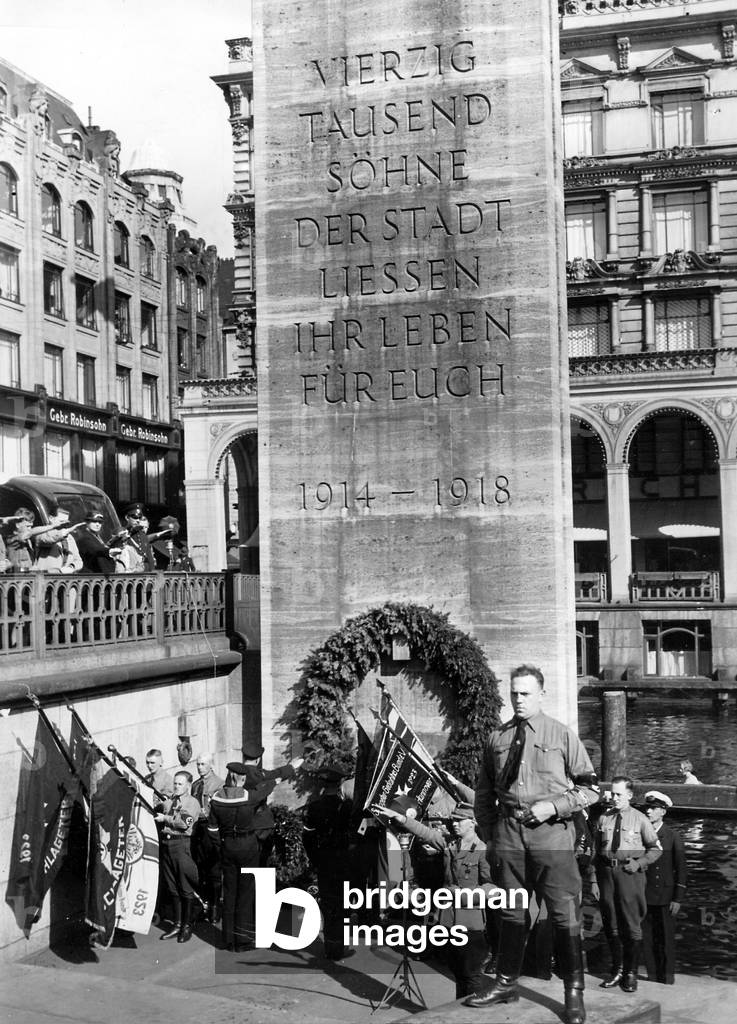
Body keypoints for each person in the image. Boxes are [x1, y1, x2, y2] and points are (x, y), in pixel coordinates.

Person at [466, 664, 599, 1024]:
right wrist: (490, 833)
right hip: (509, 834)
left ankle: (574, 992)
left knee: (562, 913)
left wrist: (553, 806)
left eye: (525, 693)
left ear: (541, 694)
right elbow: (483, 793)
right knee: (510, 910)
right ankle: (506, 982)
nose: (518, 700)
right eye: (514, 693)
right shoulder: (497, 738)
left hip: (551, 835)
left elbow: (591, 789)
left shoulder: (561, 735)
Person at [375, 800, 492, 999]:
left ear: (472, 822)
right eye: (453, 820)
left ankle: (474, 1016)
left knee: (471, 975)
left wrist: (461, 894)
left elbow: (491, 888)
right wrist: (400, 818)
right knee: (457, 972)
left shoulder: (482, 850)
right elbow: (426, 833)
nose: (454, 824)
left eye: (460, 820)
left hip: (470, 923)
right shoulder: (450, 844)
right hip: (448, 921)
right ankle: (460, 1013)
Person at [592, 776, 662, 995]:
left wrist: (640, 863)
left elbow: (656, 848)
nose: (614, 798)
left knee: (631, 924)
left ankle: (630, 973)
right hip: (607, 875)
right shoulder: (604, 818)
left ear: (629, 796)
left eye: (619, 794)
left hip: (629, 874)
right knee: (610, 923)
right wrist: (594, 880)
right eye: (612, 794)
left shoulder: (640, 819)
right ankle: (617, 970)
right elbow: (595, 851)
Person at [207, 762, 278, 950]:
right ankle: (243, 940)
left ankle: (228, 938)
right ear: (243, 779)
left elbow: (212, 829)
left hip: (228, 846)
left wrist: (221, 845)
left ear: (229, 776)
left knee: (229, 892)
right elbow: (266, 789)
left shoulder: (216, 799)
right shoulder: (250, 797)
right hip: (247, 847)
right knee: (245, 892)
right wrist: (276, 779)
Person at [303, 763, 354, 960]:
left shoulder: (314, 807)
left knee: (328, 903)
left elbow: (307, 838)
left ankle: (330, 947)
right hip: (343, 861)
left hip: (324, 860)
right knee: (343, 905)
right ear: (340, 783)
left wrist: (315, 859)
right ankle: (339, 947)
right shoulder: (347, 807)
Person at [641, 790, 687, 985]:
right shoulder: (640, 835)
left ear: (663, 812)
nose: (649, 812)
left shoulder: (672, 836)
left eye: (653, 808)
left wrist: (678, 898)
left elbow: (681, 869)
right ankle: (652, 977)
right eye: (648, 808)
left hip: (666, 896)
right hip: (644, 894)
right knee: (648, 938)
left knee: (666, 939)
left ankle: (667, 979)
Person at [155, 771, 202, 942]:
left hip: (181, 845)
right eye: (175, 783)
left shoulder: (192, 802)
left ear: (188, 786)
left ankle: (187, 926)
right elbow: (161, 808)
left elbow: (183, 823)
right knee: (172, 886)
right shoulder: (169, 802)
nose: (176, 786)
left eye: (180, 784)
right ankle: (177, 924)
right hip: (167, 846)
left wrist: (165, 818)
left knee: (184, 886)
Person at [240, 741, 302, 865]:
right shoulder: (259, 775)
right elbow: (277, 774)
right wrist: (291, 767)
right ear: (258, 760)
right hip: (260, 825)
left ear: (243, 757)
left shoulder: (235, 774)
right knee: (262, 862)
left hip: (242, 824)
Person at [191, 752, 225, 922]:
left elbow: (219, 809)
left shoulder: (219, 784)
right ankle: (204, 904)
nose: (200, 767)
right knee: (201, 869)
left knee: (214, 871)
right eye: (198, 764)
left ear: (211, 765)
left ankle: (215, 907)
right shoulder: (196, 785)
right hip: (198, 830)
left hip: (211, 830)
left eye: (203, 764)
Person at [33, 504, 83, 573]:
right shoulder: (41, 533)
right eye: (61, 521)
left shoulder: (69, 537)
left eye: (66, 522)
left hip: (65, 580)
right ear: (51, 518)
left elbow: (78, 560)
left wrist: (71, 567)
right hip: (46, 579)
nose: (64, 524)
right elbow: (49, 539)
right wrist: (63, 533)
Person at [118, 503, 156, 572]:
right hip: (128, 573)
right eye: (135, 517)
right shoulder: (122, 533)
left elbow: (150, 558)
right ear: (127, 517)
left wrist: (153, 573)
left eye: (140, 517)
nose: (138, 520)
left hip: (144, 574)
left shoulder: (142, 535)